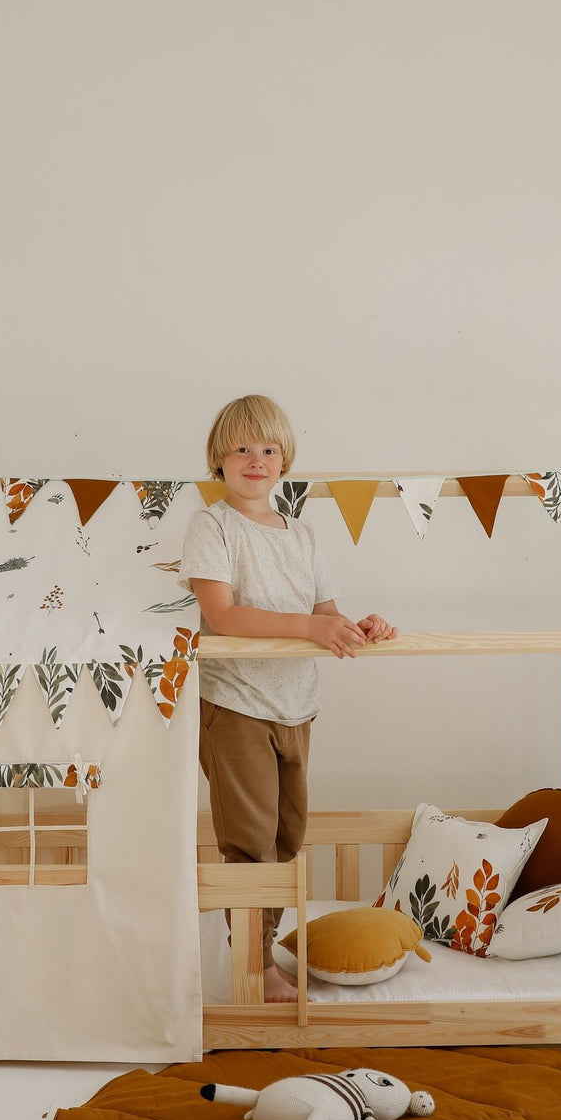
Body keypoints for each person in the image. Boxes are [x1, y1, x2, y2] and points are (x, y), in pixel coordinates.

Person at [180, 395, 397, 1002]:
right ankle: (253, 970)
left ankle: (263, 948)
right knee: (248, 841)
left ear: (285, 461)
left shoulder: (301, 535)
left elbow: (325, 613)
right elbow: (221, 616)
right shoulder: (213, 526)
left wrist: (362, 626)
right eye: (242, 448)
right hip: (237, 707)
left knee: (286, 837)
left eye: (268, 449)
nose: (256, 460)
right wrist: (308, 628)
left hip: (297, 706)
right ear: (218, 461)